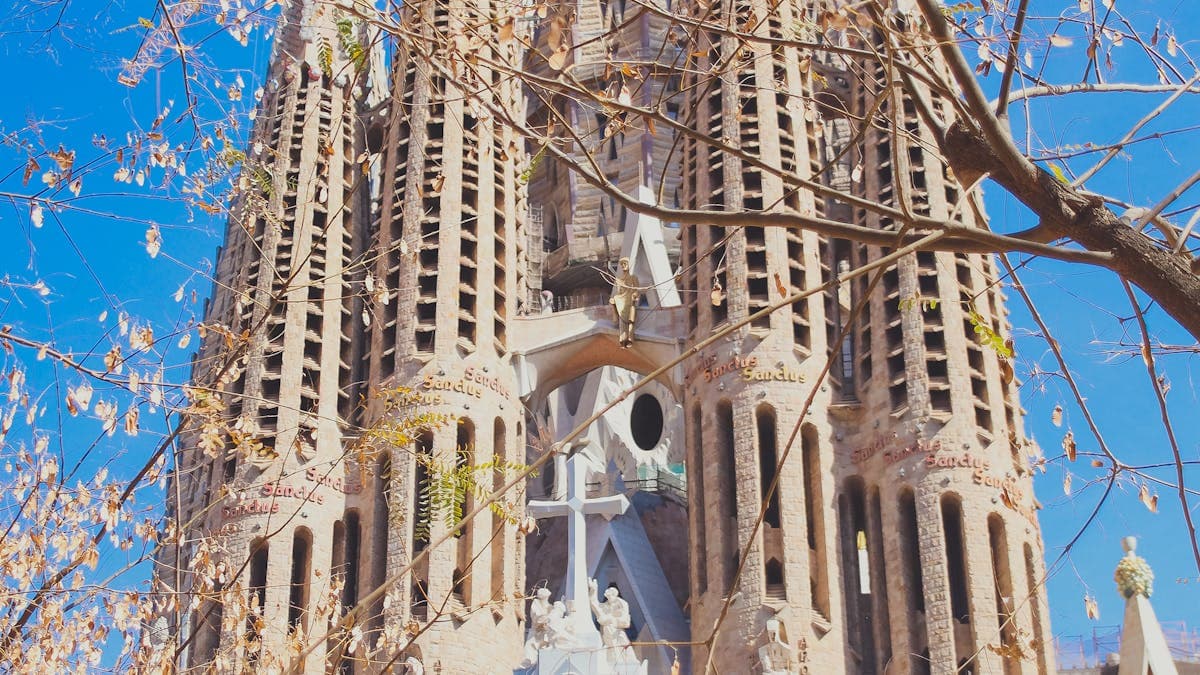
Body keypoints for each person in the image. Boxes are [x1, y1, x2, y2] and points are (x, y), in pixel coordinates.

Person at [588, 579, 634, 663]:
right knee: (611, 654)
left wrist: (611, 620)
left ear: (615, 595)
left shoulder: (622, 604)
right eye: (608, 595)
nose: (609, 597)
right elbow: (594, 604)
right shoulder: (605, 606)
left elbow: (626, 622)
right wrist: (594, 590)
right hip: (607, 636)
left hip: (618, 635)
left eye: (611, 594)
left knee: (625, 655)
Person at [609, 257, 640, 347]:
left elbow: (637, 290)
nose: (623, 266)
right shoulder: (620, 279)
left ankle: (630, 338)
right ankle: (623, 339)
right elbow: (620, 293)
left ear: (629, 265)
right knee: (622, 320)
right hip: (622, 301)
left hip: (630, 301)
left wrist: (634, 295)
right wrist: (615, 298)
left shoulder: (633, 277)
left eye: (625, 264)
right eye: (622, 264)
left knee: (630, 319)